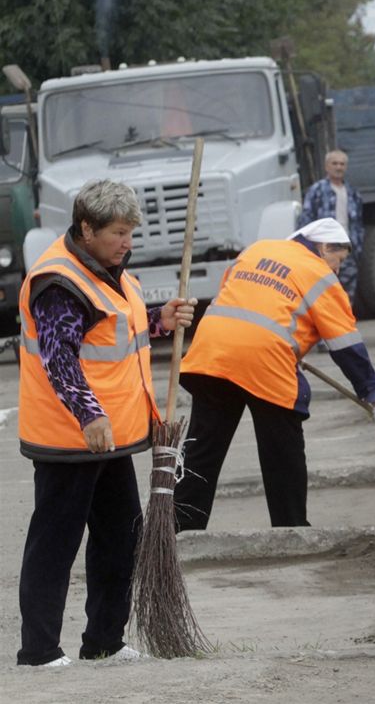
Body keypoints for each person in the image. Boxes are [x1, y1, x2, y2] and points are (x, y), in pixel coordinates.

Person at [16, 179, 196, 666]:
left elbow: (113, 332)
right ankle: (38, 650)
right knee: (56, 541)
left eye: (130, 233)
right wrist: (89, 413)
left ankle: (104, 641)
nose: (127, 243)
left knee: (121, 536)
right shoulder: (60, 283)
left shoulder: (110, 271)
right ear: (86, 228)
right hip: (71, 436)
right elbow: (61, 360)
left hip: (112, 435)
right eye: (118, 232)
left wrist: (159, 319)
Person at [174, 218, 375, 531]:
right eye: (339, 260)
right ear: (323, 248)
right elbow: (347, 347)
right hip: (264, 361)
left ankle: (179, 528)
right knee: (282, 449)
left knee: (203, 448)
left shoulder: (257, 250)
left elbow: (240, 298)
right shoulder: (320, 274)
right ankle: (291, 528)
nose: (337, 269)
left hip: (212, 353)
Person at [298, 150, 365, 300]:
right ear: (327, 167)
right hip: (325, 253)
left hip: (347, 251)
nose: (338, 167)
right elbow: (305, 221)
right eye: (334, 163)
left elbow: (358, 224)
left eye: (342, 164)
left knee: (347, 297)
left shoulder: (353, 193)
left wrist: (357, 249)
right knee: (325, 296)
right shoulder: (317, 191)